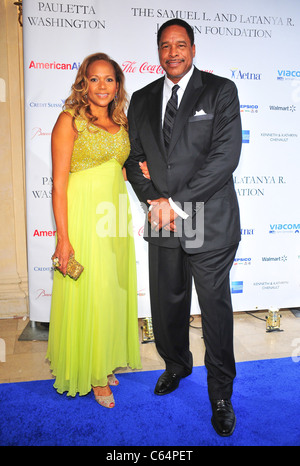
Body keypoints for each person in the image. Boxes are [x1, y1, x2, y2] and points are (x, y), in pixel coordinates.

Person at [125, 19, 242, 436]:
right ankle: (176, 365)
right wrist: (155, 202)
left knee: (214, 314)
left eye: (180, 45)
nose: (172, 52)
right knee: (168, 305)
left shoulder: (220, 91)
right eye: (164, 46)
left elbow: (224, 158)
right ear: (158, 51)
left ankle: (221, 394)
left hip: (209, 220)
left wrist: (174, 203)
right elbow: (132, 159)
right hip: (163, 221)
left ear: (193, 48)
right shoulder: (140, 99)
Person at [46, 53, 142, 408]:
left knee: (112, 290)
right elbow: (58, 184)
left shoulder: (121, 121)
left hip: (114, 216)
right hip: (84, 216)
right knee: (93, 290)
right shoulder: (69, 120)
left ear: (118, 85)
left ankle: (102, 356)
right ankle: (94, 376)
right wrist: (64, 238)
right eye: (95, 79)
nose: (102, 86)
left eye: (109, 79)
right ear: (83, 83)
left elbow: (119, 170)